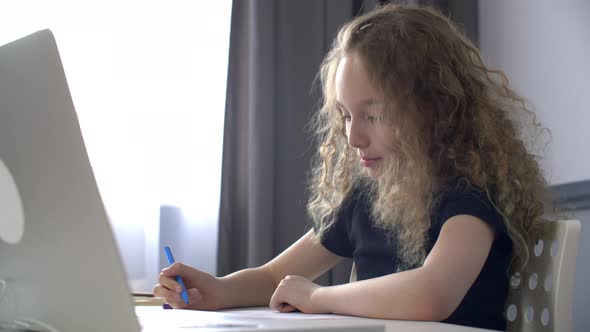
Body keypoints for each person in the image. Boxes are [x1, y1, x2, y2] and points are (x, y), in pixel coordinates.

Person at [153, 3, 551, 330]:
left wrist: (317, 297)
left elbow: (431, 295)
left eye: (373, 116)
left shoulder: (469, 195)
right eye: (344, 115)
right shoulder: (366, 197)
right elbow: (276, 278)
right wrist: (218, 290)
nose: (353, 138)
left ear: (433, 110)